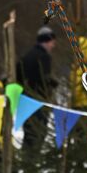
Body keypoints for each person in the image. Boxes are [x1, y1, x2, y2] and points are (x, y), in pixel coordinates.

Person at [16, 26, 57, 157]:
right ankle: (32, 164)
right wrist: (53, 84)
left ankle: (26, 164)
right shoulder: (44, 57)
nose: (53, 45)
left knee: (28, 136)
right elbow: (44, 80)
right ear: (47, 40)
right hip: (38, 103)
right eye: (52, 42)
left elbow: (18, 77)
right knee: (38, 135)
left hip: (24, 102)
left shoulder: (26, 56)